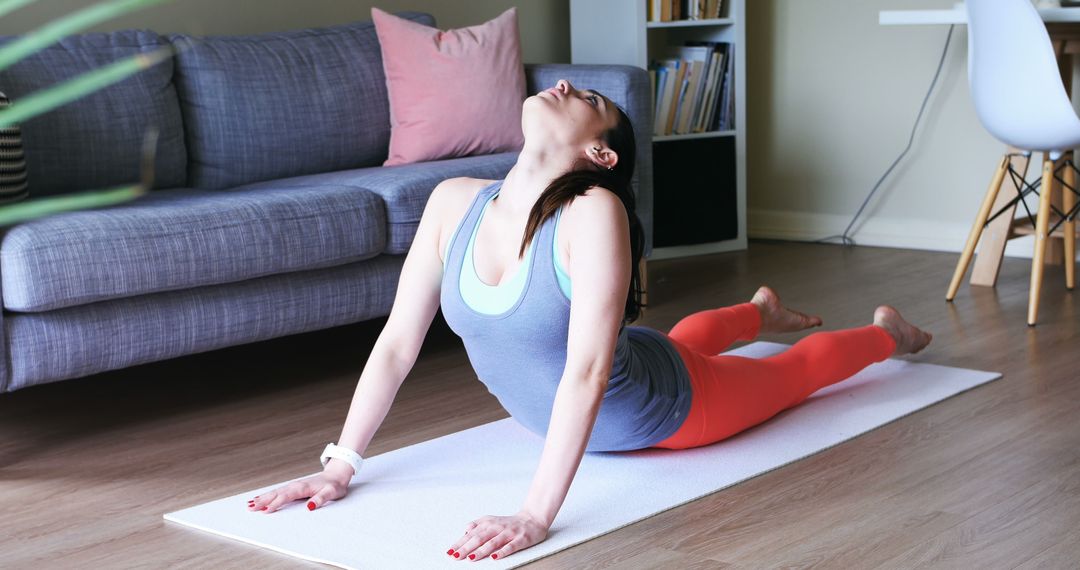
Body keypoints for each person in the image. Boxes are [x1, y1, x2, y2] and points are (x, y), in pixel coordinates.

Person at [243, 79, 933, 562]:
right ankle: (756, 310)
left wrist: (535, 514)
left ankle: (887, 334)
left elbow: (589, 370)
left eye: (590, 101)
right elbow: (397, 345)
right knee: (672, 343)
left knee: (792, 371)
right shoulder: (452, 203)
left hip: (664, 411)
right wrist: (341, 465)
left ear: (599, 157)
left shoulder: (592, 212)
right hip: (621, 372)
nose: (567, 83)